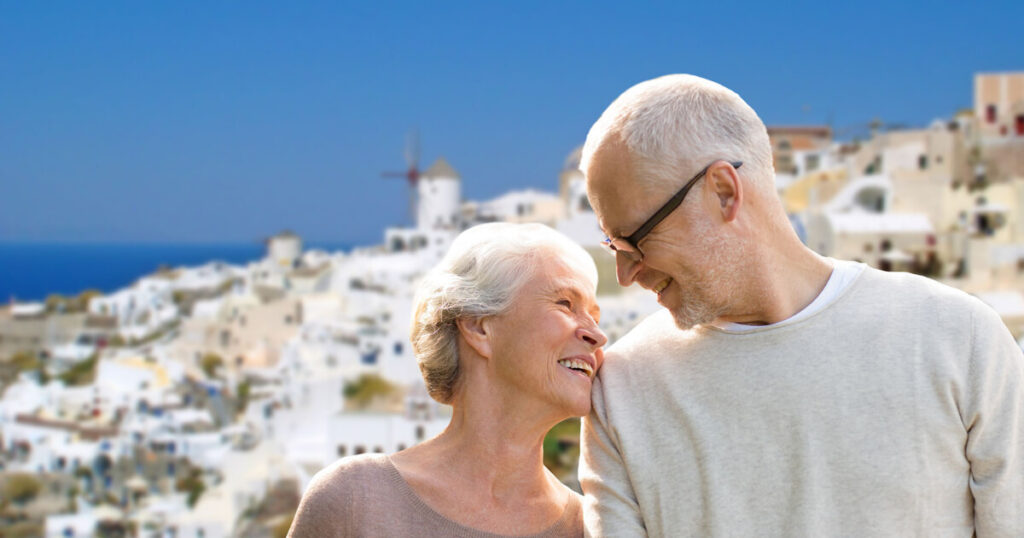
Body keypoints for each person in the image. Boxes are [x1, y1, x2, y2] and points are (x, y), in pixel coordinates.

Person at [577, 74, 1024, 536]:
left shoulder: (960, 338)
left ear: (723, 192)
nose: (626, 274)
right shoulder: (622, 391)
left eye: (636, 239)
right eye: (614, 246)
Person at [288, 222, 607, 537]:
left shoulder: (589, 528)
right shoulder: (354, 499)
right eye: (566, 304)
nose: (597, 334)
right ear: (478, 327)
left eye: (594, 317)